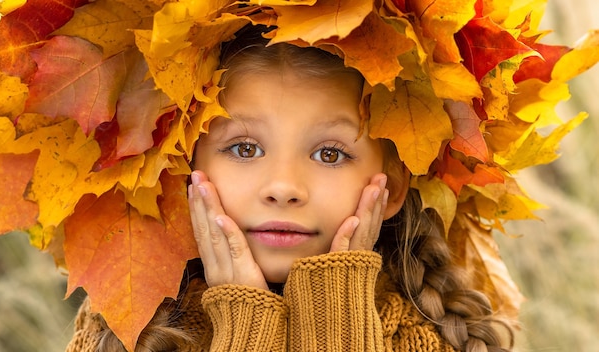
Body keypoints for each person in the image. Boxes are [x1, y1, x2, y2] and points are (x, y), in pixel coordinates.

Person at [65, 25, 513, 352]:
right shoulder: (128, 331)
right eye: (243, 148)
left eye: (330, 154)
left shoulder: (441, 335)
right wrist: (246, 323)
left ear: (392, 186)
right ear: (184, 168)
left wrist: (337, 324)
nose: (283, 187)